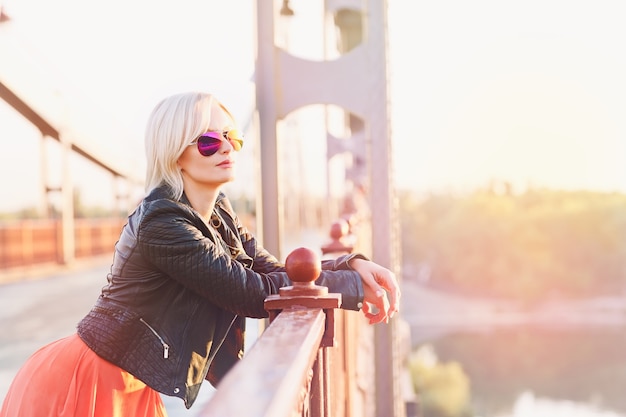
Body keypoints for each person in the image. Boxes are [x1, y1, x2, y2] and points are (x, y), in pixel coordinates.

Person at [0, 91, 400, 417]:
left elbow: (278, 273)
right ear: (177, 153)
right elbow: (250, 292)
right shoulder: (162, 222)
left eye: (232, 137)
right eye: (209, 141)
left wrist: (351, 265)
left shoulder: (219, 211)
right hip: (87, 378)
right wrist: (350, 287)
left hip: (131, 383)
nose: (226, 147)